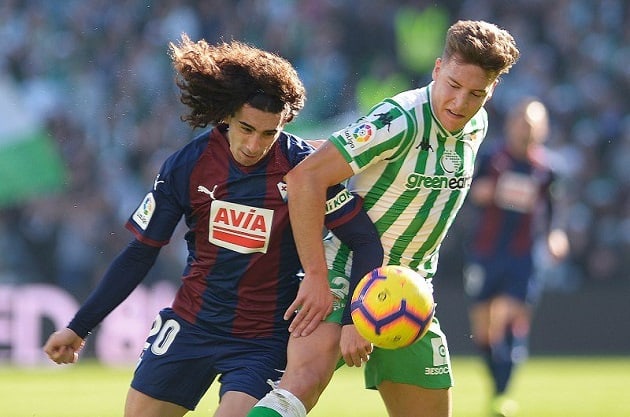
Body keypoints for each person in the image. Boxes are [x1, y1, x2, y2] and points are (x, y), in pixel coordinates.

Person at [43, 35, 382, 417]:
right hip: (191, 325)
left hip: (263, 340)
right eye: (246, 128)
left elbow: (365, 240)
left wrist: (356, 317)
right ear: (226, 114)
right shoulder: (187, 165)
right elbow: (140, 253)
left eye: (269, 133)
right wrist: (79, 327)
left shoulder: (306, 171)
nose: (255, 144)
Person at [248, 20, 520, 417]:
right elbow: (305, 178)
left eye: (476, 93)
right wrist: (317, 278)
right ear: (437, 68)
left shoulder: (477, 124)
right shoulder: (401, 118)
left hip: (409, 294)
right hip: (343, 277)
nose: (460, 103)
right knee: (298, 388)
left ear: (492, 89)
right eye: (454, 86)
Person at [462, 97, 569, 416]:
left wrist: (555, 235)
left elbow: (554, 210)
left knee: (510, 320)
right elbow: (469, 192)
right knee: (484, 330)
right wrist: (481, 193)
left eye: (534, 124)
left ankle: (502, 393)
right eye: (523, 122)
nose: (527, 130)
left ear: (544, 130)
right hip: (486, 251)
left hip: (523, 256)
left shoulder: (548, 169)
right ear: (511, 125)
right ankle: (497, 384)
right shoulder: (493, 159)